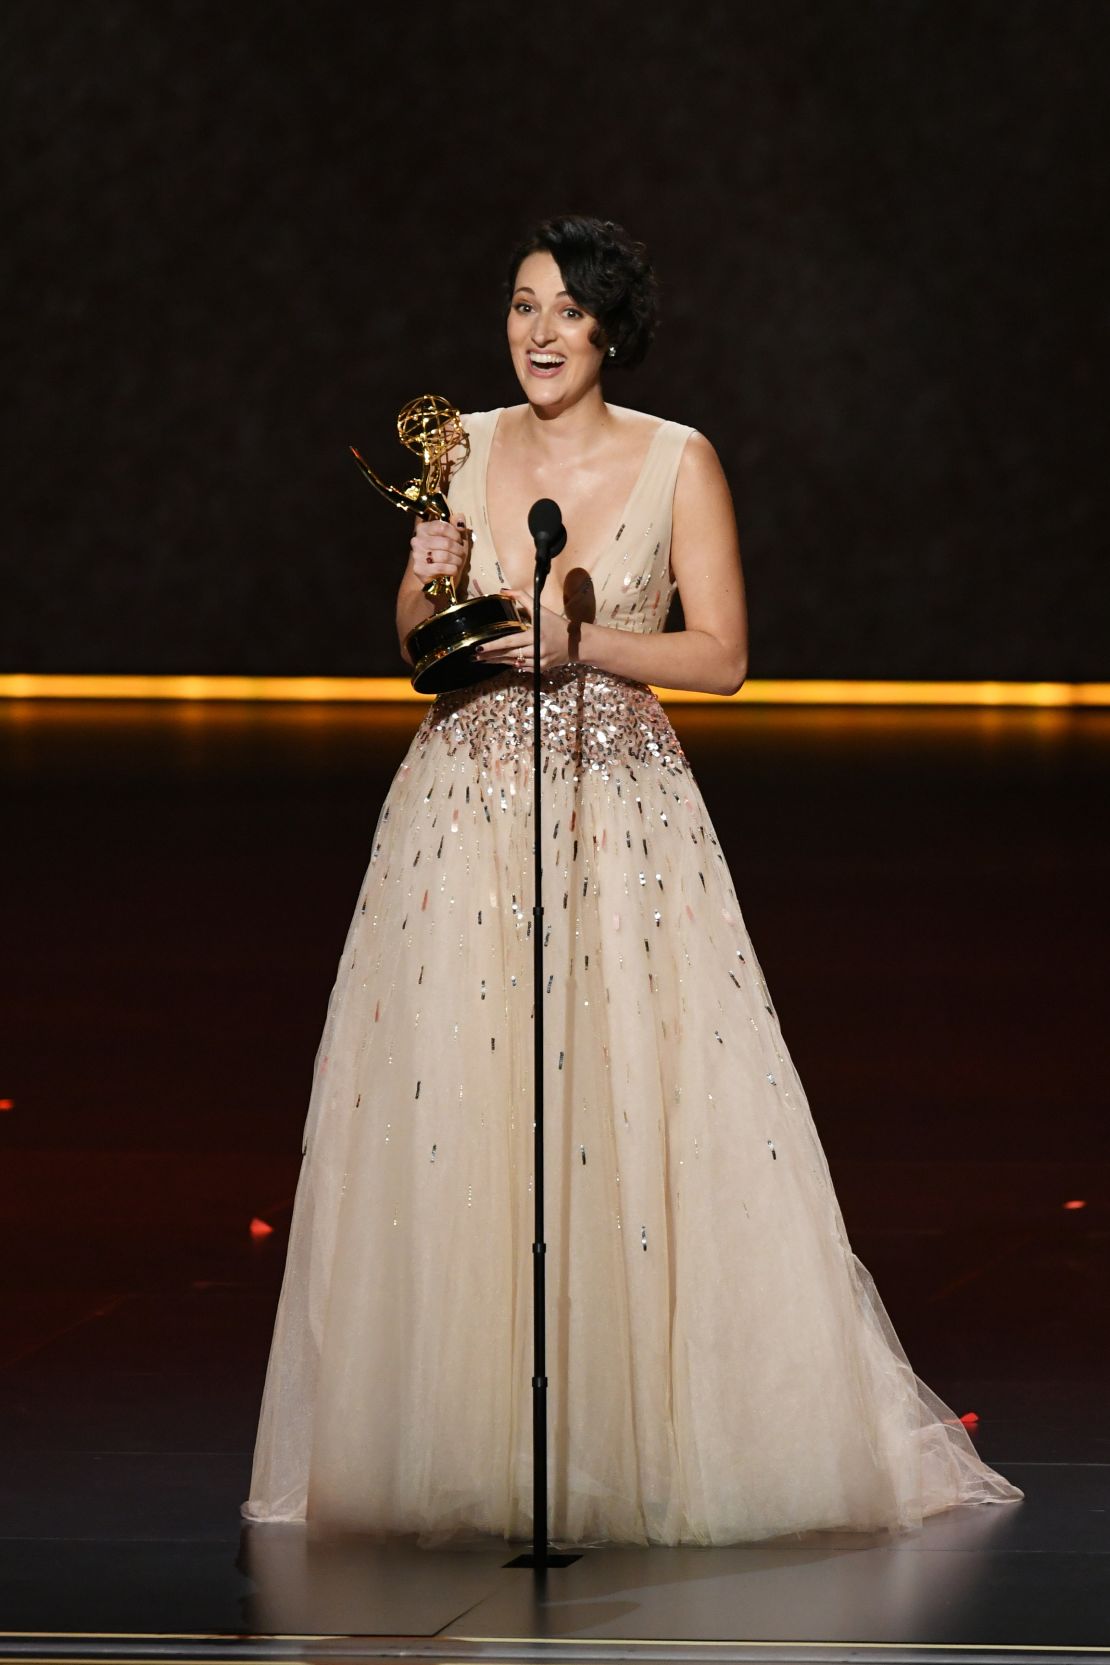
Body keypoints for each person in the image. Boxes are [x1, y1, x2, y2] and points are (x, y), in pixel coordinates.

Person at [242, 214, 1023, 1546]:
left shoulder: (678, 460)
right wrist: (426, 593)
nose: (536, 332)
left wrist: (583, 641)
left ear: (611, 331)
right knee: (460, 1114)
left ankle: (643, 1438)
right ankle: (471, 1448)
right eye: (520, 305)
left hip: (621, 817)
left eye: (565, 311)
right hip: (461, 813)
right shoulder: (462, 446)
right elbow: (420, 646)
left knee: (629, 1102)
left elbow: (720, 656)